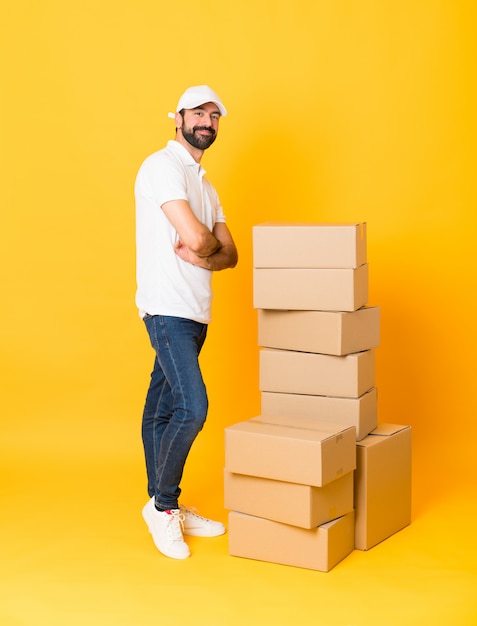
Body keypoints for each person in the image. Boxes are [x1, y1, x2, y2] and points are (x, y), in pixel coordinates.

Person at [135, 85, 238, 560]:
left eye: (215, 115)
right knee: (191, 408)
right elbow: (198, 236)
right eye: (199, 112)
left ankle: (161, 505)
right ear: (177, 117)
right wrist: (204, 246)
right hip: (167, 306)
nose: (208, 121)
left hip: (197, 311)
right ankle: (164, 506)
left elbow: (228, 254)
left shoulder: (206, 185)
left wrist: (205, 252)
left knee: (162, 405)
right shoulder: (163, 167)